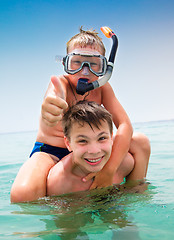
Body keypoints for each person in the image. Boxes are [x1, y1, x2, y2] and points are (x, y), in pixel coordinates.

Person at [10, 27, 150, 203]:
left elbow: (125, 125)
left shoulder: (102, 87)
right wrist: (50, 108)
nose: (85, 71)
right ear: (65, 64)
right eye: (76, 63)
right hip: (51, 152)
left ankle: (135, 193)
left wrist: (109, 170)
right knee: (23, 194)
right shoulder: (60, 83)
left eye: (94, 64)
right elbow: (53, 97)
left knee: (140, 142)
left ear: (104, 68)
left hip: (86, 148)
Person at [47, 100, 134, 196]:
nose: (94, 151)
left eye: (102, 138)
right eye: (83, 141)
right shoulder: (59, 183)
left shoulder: (125, 164)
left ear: (111, 138)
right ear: (68, 144)